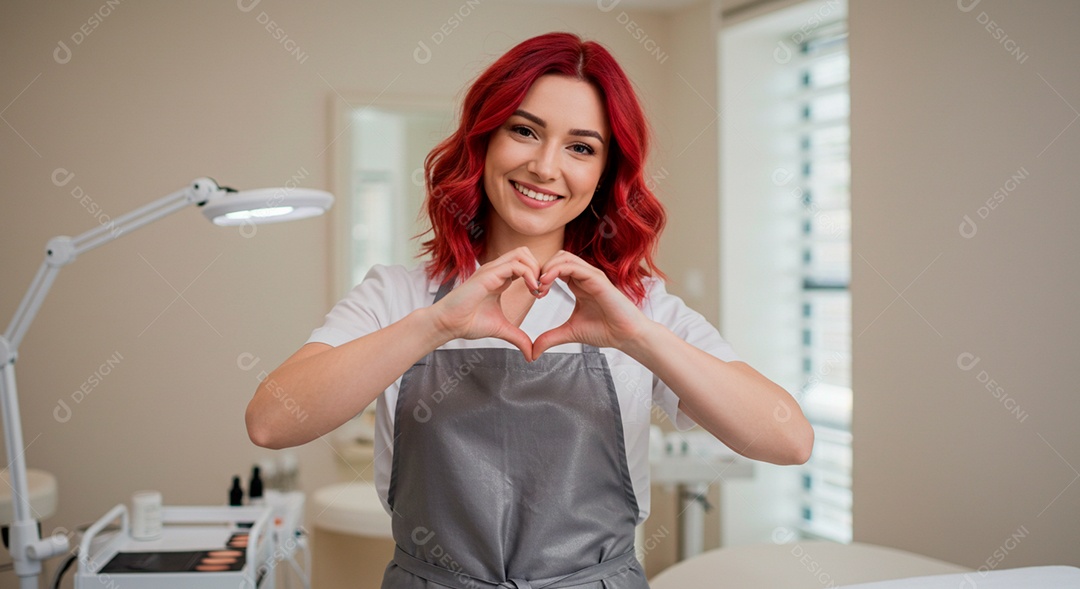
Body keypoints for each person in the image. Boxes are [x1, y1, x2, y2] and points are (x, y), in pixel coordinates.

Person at [246, 31, 813, 589]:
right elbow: (271, 422)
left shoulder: (638, 310)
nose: (545, 167)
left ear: (604, 173)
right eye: (525, 131)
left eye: (581, 147)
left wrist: (640, 338)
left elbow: (788, 441)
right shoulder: (397, 296)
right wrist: (436, 325)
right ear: (484, 140)